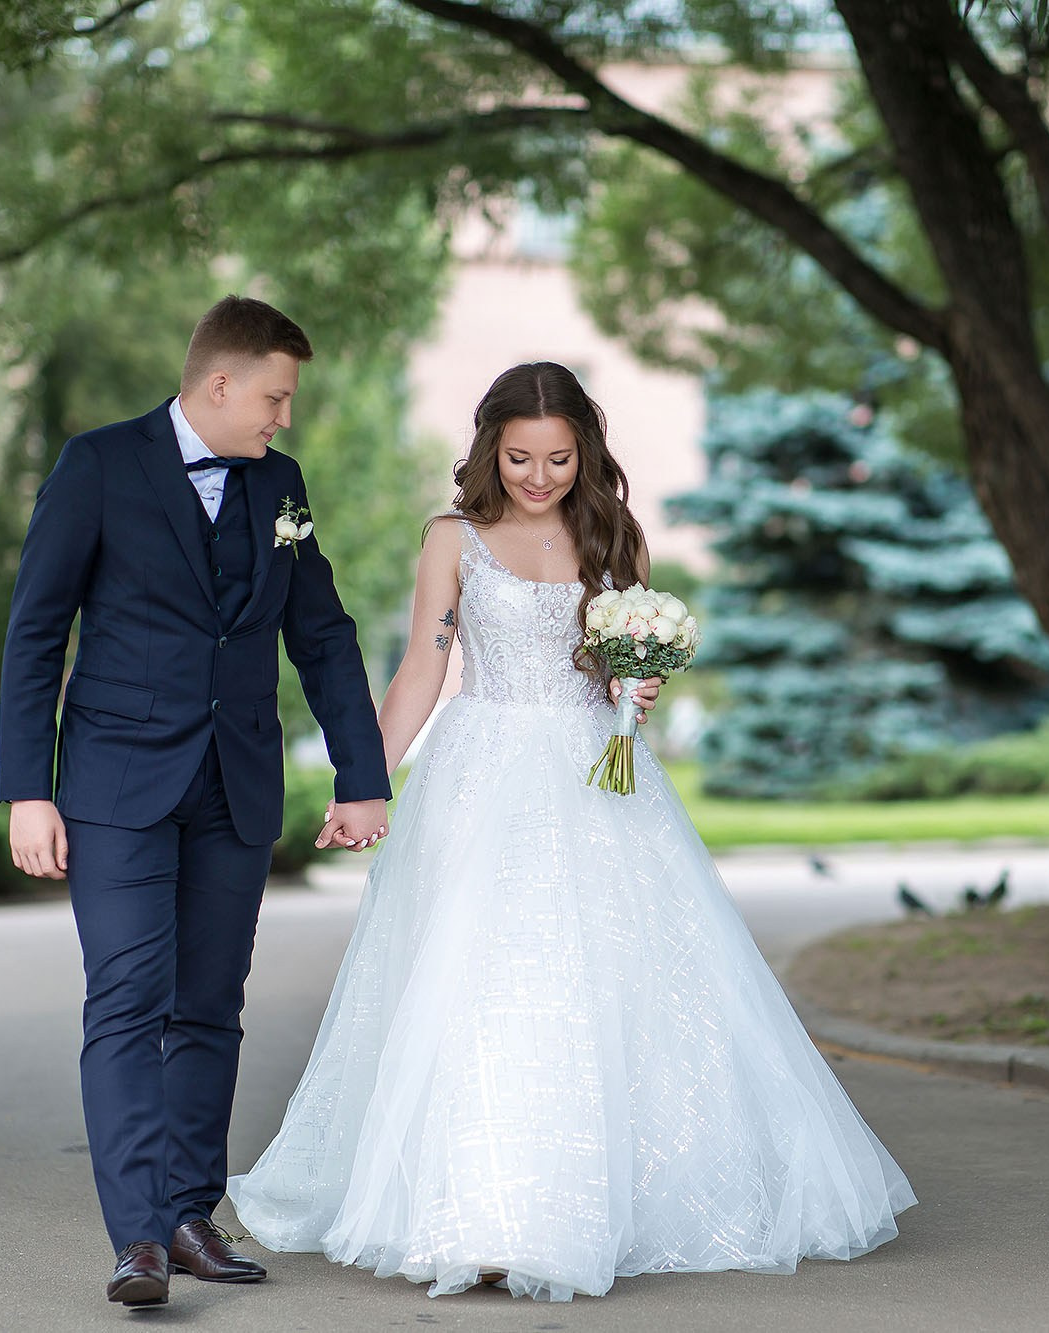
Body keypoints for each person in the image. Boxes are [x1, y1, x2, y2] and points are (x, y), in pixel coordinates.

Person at [227, 362, 914, 1302]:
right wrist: (363, 780)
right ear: (489, 449)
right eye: (519, 458)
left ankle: (598, 1202)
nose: (539, 477)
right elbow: (425, 668)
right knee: (484, 979)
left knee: (604, 978)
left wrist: (637, 687)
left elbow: (614, 669)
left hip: (596, 777)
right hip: (481, 776)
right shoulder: (453, 538)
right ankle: (483, 1208)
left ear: (584, 452)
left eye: (558, 458)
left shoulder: (610, 535)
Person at [0, 296, 392, 1309]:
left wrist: (361, 774)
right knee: (127, 1002)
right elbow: (36, 633)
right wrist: (26, 791)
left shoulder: (282, 487)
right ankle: (135, 1237)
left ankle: (187, 1213)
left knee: (210, 1008)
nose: (283, 418)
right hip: (116, 785)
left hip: (236, 781)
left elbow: (321, 632)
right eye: (275, 396)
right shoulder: (98, 465)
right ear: (219, 383)